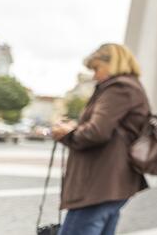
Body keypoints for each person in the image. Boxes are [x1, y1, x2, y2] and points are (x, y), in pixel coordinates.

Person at [51, 43, 150, 235]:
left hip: (99, 183)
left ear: (112, 63)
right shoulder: (130, 87)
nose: (94, 75)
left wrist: (66, 132)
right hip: (110, 182)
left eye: (96, 68)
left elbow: (97, 132)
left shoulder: (118, 88)